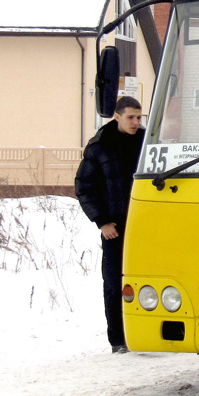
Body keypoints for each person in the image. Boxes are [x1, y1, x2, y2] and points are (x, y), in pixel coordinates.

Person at [75, 96, 145, 353]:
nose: (136, 122)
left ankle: (149, 334)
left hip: (146, 227)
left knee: (150, 281)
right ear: (116, 116)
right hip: (115, 228)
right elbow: (84, 188)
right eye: (130, 117)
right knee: (114, 283)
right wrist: (102, 222)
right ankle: (119, 340)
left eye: (139, 117)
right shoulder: (99, 147)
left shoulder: (148, 143)